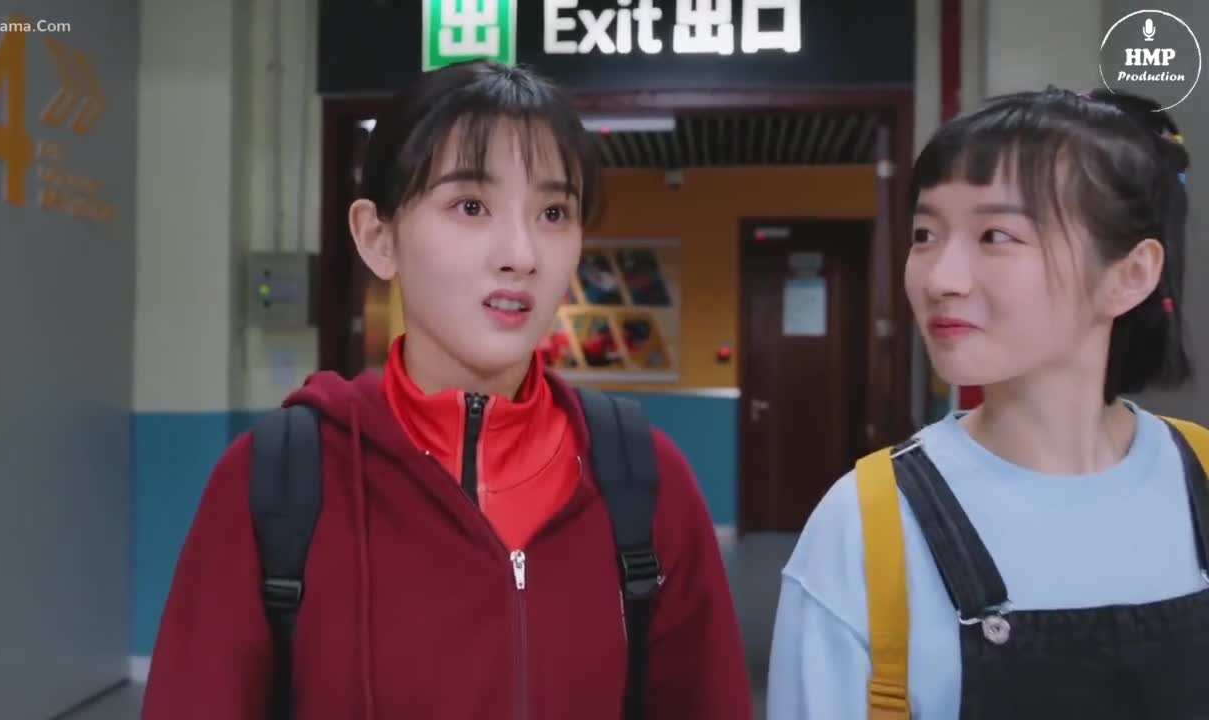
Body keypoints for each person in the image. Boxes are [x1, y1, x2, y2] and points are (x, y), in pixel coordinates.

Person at [141, 60, 753, 720]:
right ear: (378, 238)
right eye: (470, 206)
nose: (521, 254)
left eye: (553, 212)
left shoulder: (643, 483)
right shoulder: (276, 484)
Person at [766, 87, 1208, 719]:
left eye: (996, 235)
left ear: (1130, 275)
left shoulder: (1199, 475)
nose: (940, 278)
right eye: (924, 234)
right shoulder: (868, 522)